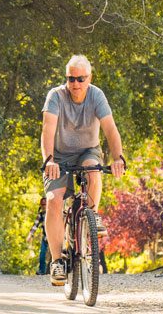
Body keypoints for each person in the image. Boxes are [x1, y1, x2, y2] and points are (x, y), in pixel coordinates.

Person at [42, 55, 127, 287]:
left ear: (89, 78)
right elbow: (47, 130)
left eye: (81, 79)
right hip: (58, 156)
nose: (76, 84)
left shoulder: (97, 95)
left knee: (93, 168)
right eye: (71, 79)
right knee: (53, 201)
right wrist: (49, 160)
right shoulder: (55, 96)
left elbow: (110, 129)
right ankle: (58, 261)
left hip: (87, 151)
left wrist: (118, 157)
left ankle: (92, 215)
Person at [26, 197, 49, 275]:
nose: (44, 206)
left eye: (45, 204)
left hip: (54, 238)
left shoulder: (53, 213)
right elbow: (35, 225)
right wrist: (30, 235)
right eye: (42, 204)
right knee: (42, 255)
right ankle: (42, 271)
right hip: (45, 238)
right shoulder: (41, 214)